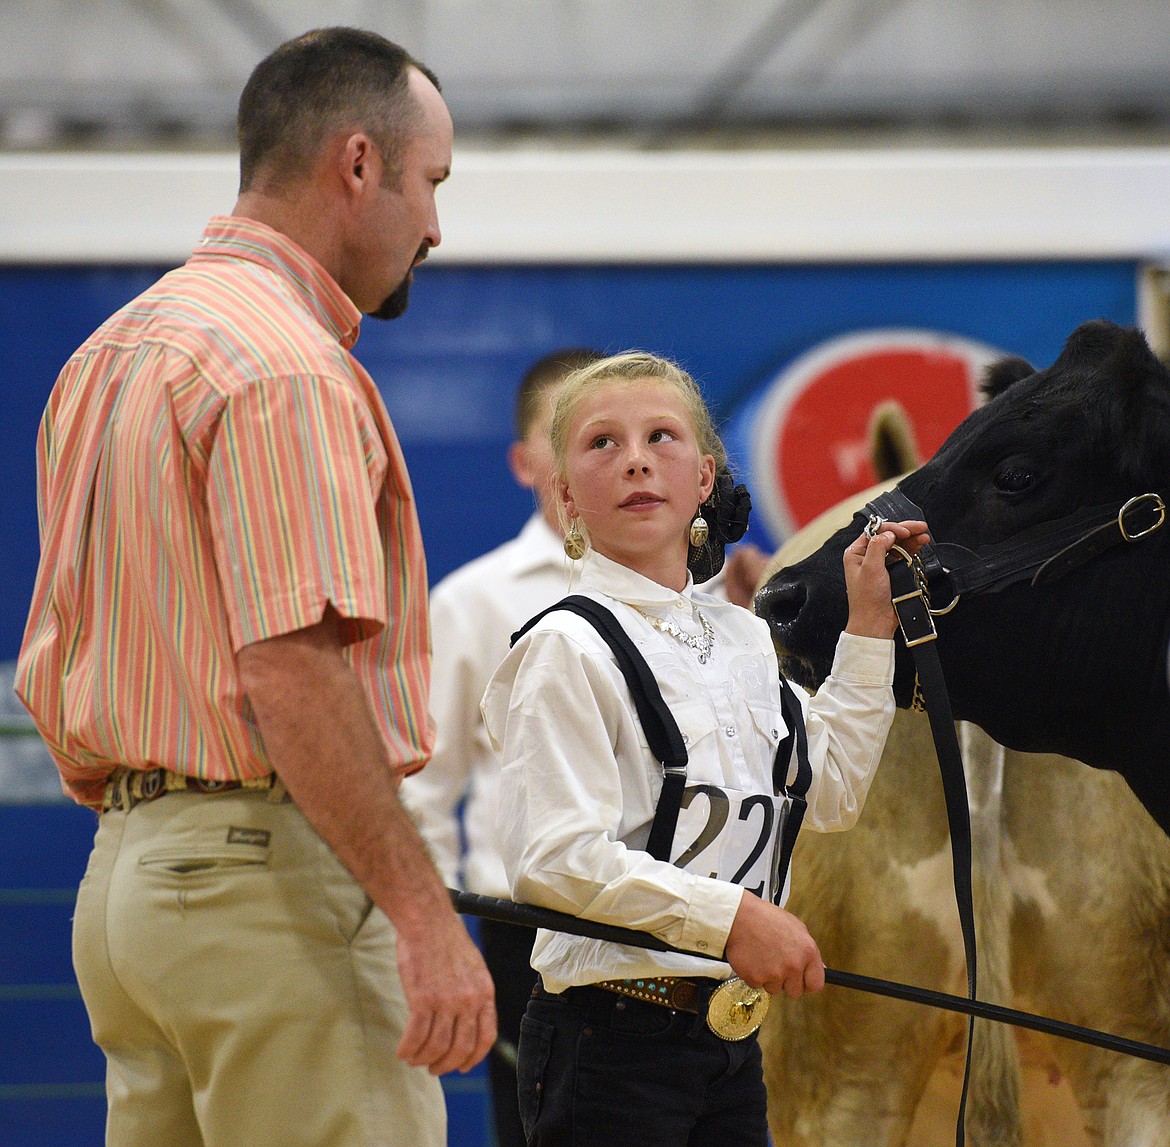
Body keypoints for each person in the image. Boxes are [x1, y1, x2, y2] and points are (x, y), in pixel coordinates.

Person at [15, 27, 494, 1147]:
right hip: (265, 888)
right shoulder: (283, 364)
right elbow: (290, 664)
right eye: (431, 183)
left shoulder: (109, 353)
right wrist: (425, 919)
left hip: (129, 893)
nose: (436, 226)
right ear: (359, 162)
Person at [481, 351, 928, 1147]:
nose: (637, 459)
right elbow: (555, 858)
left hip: (728, 1039)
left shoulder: (745, 636)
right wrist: (731, 919)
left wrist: (868, 629)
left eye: (661, 436)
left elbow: (829, 794)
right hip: (604, 1042)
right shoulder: (565, 646)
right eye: (601, 444)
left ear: (703, 478)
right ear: (565, 496)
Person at [400, 346, 600, 1147]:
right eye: (574, 436)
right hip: (528, 939)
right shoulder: (473, 600)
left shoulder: (707, 599)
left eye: (624, 434)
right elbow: (422, 785)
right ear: (524, 461)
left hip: (683, 939)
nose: (606, 460)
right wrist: (437, 929)